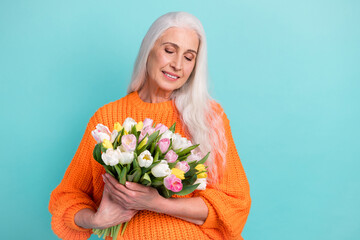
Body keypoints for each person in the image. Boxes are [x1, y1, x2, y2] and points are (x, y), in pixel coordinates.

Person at [49, 11, 251, 240]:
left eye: (188, 57)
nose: (177, 65)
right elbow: (67, 197)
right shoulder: (107, 118)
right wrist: (97, 220)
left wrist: (156, 203)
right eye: (169, 50)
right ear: (149, 50)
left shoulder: (208, 117)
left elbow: (235, 202)